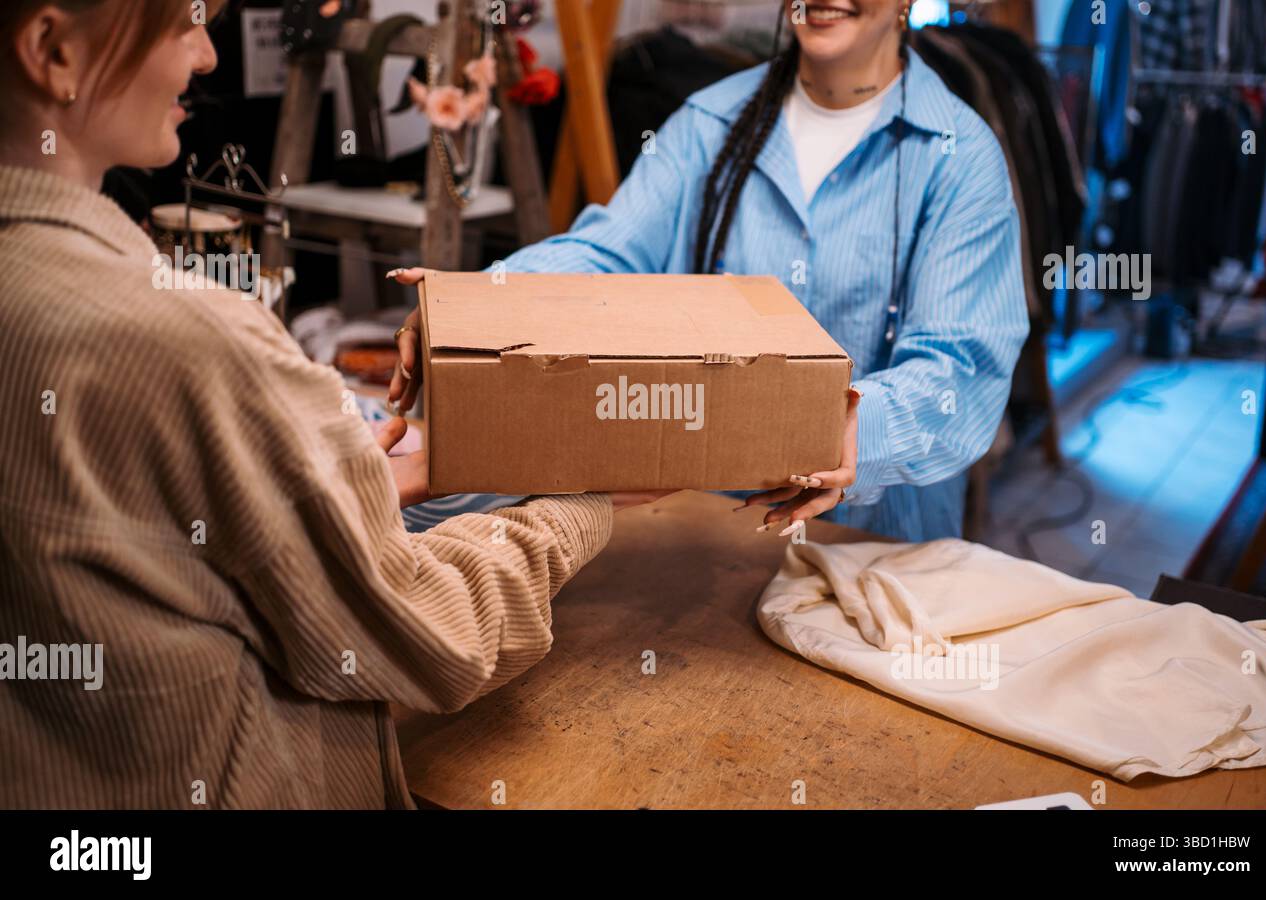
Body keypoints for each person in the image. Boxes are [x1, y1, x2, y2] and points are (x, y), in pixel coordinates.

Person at [0, 0, 667, 809]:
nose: (207, 57)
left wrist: (332, 497)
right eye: (182, 22)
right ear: (51, 49)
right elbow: (435, 639)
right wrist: (579, 497)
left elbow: (127, 542)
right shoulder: (189, 338)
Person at [392, 0, 1029, 542]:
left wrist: (831, 430)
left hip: (870, 541)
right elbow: (609, 252)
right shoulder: (709, 122)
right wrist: (470, 312)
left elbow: (960, 370)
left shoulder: (958, 157)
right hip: (703, 524)